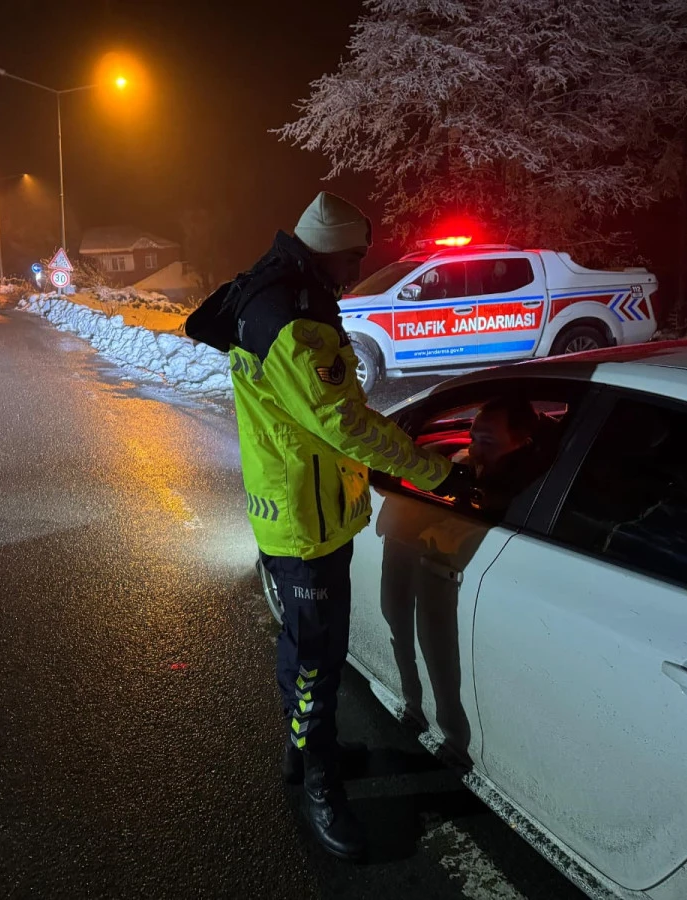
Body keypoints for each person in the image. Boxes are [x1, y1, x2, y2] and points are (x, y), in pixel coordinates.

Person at [185, 192, 472, 861]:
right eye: (355, 257)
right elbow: (343, 420)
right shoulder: (295, 316)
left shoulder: (277, 290)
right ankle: (322, 786)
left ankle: (304, 749)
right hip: (304, 518)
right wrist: (435, 473)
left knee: (307, 644)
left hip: (294, 502)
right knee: (316, 655)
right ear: (332, 250)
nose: (357, 268)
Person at [462, 396, 557, 515]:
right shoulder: (495, 466)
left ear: (523, 444)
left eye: (487, 442)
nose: (473, 450)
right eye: (473, 439)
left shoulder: (523, 491)